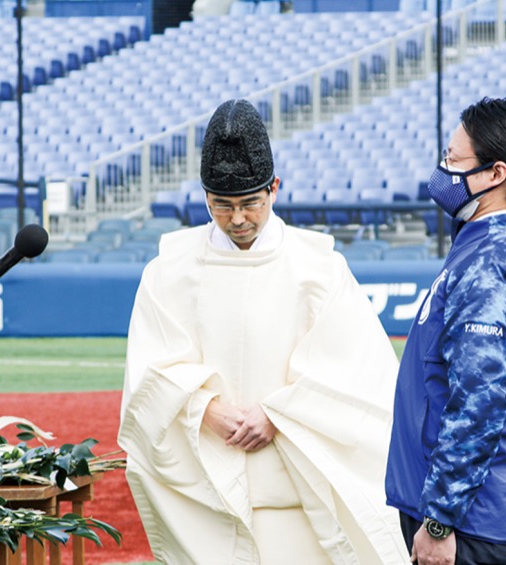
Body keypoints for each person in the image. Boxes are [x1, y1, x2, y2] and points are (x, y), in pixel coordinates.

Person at [117, 98, 409, 565]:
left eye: (250, 203)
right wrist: (202, 407)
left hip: (298, 498)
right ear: (204, 196)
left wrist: (278, 414)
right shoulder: (169, 270)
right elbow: (150, 372)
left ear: (274, 188)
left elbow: (358, 374)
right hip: (207, 496)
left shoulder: (319, 269)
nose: (237, 219)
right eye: (221, 205)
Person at [385, 97, 506, 565]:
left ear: (495, 174)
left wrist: (440, 519)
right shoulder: (494, 245)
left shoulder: (492, 262)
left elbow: (479, 404)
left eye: (453, 160)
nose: (442, 171)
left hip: (466, 519)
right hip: (471, 509)